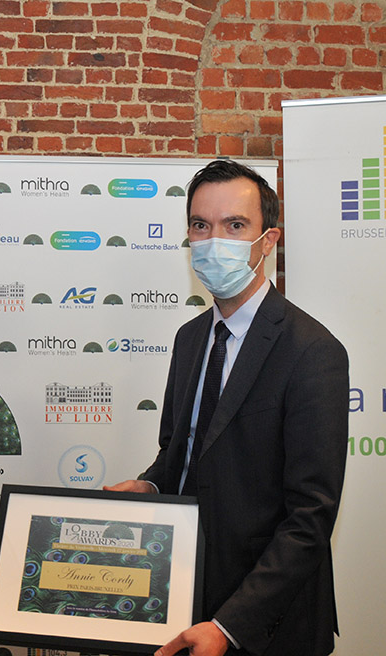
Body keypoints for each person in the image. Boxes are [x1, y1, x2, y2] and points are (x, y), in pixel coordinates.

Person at [105, 160, 348, 656]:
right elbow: (179, 451)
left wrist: (229, 625)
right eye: (201, 225)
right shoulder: (190, 339)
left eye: (235, 225)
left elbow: (310, 516)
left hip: (267, 623)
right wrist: (151, 486)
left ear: (268, 240)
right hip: (183, 595)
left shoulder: (312, 350)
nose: (214, 241)